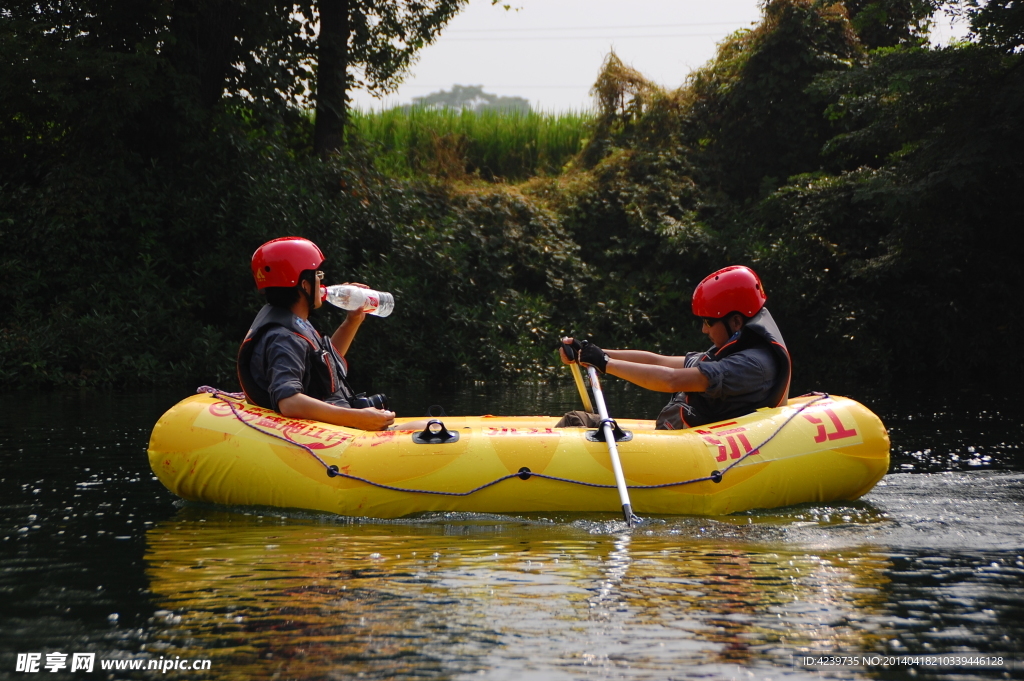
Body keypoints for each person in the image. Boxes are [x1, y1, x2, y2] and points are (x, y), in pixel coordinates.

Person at [559, 265, 791, 429]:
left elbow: (671, 380)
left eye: (708, 322)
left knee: (575, 421)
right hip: (685, 436)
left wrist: (605, 364)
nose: (704, 330)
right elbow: (659, 361)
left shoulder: (749, 366)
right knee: (576, 420)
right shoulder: (735, 351)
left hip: (697, 451)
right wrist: (593, 352)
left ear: (736, 322)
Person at [237, 236, 397, 431]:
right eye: (318, 275)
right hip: (330, 436)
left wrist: (352, 320)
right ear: (304, 285)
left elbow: (325, 365)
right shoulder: (284, 338)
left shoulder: (293, 324)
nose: (322, 282)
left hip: (336, 428)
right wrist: (357, 418)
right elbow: (288, 402)